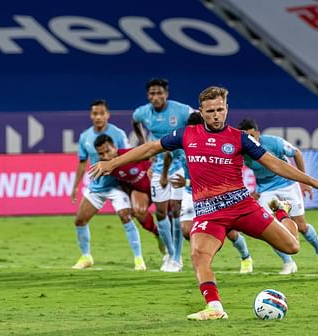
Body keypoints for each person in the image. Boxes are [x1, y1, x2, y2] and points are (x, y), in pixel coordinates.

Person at [89, 86, 318, 320]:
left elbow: (274, 163)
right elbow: (150, 148)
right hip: (209, 213)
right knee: (199, 255)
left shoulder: (240, 139)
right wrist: (112, 164)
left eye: (220, 109)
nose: (216, 115)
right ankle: (214, 307)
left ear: (226, 108)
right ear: (201, 112)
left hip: (241, 207)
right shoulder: (187, 134)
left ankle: (282, 213)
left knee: (292, 247)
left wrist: (312, 181)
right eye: (210, 111)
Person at [238, 118, 318, 274]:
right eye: (246, 136)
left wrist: (304, 181)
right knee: (269, 228)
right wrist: (254, 190)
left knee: (302, 226)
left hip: (287, 184)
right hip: (266, 190)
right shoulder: (241, 151)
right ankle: (288, 262)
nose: (249, 139)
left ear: (258, 133)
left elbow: (296, 152)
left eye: (251, 135)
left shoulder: (273, 142)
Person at [172, 112, 254, 274]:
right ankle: (196, 257)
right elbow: (167, 156)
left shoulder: (212, 145)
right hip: (192, 194)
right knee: (186, 229)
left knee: (230, 232)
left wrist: (186, 181)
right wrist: (158, 172)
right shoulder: (182, 142)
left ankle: (245, 256)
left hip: (214, 195)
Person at [70, 99, 144, 271]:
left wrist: (133, 187)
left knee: (126, 216)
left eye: (101, 113)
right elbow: (82, 163)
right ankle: (86, 256)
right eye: (95, 113)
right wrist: (75, 186)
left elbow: (128, 157)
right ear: (91, 115)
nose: (98, 117)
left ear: (107, 115)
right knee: (80, 221)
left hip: (117, 185)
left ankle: (139, 259)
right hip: (97, 186)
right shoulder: (85, 137)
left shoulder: (117, 134)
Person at [132, 78, 193, 272]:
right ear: (147, 96)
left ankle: (177, 257)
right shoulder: (143, 113)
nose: (156, 97)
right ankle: (169, 252)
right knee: (160, 212)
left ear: (166, 94)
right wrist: (143, 142)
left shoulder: (182, 110)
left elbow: (198, 121)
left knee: (175, 210)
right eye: (152, 94)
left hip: (179, 165)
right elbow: (135, 121)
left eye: (159, 93)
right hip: (158, 167)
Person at [94, 133, 167, 265]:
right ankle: (158, 234)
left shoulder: (129, 154)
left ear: (115, 147)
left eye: (107, 151)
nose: (106, 156)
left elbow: (153, 154)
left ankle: (174, 248)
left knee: (170, 214)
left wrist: (154, 166)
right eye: (101, 154)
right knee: (138, 212)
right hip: (140, 191)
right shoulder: (106, 167)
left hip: (157, 185)